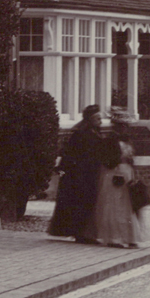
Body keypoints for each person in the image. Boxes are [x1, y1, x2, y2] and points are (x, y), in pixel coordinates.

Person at [91, 109, 150, 247]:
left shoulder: (128, 140)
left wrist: (133, 171)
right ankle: (114, 237)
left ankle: (129, 237)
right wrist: (116, 166)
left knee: (129, 206)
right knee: (115, 205)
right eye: (123, 125)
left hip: (127, 173)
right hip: (114, 174)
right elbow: (105, 159)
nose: (125, 128)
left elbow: (131, 158)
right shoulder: (109, 141)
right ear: (116, 126)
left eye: (126, 126)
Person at [48, 104, 105, 243]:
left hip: (90, 173)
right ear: (90, 119)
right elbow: (71, 155)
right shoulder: (81, 134)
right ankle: (81, 233)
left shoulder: (95, 132)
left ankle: (86, 232)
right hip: (80, 175)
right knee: (81, 202)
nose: (100, 121)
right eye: (97, 118)